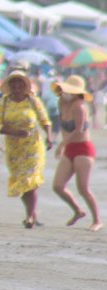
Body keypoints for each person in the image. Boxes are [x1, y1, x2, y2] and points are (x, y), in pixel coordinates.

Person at [0, 69, 50, 229]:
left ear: (25, 85)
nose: (17, 85)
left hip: (33, 146)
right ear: (9, 85)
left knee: (30, 181)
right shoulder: (3, 103)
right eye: (13, 82)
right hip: (14, 149)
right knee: (22, 182)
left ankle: (30, 216)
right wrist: (14, 132)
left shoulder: (33, 101)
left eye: (20, 82)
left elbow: (44, 119)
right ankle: (32, 213)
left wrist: (50, 137)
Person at [50, 75, 102, 231]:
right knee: (58, 185)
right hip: (69, 148)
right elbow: (62, 126)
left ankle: (97, 220)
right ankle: (78, 211)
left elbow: (78, 129)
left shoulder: (80, 106)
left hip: (83, 149)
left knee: (83, 188)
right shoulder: (61, 103)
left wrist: (61, 145)